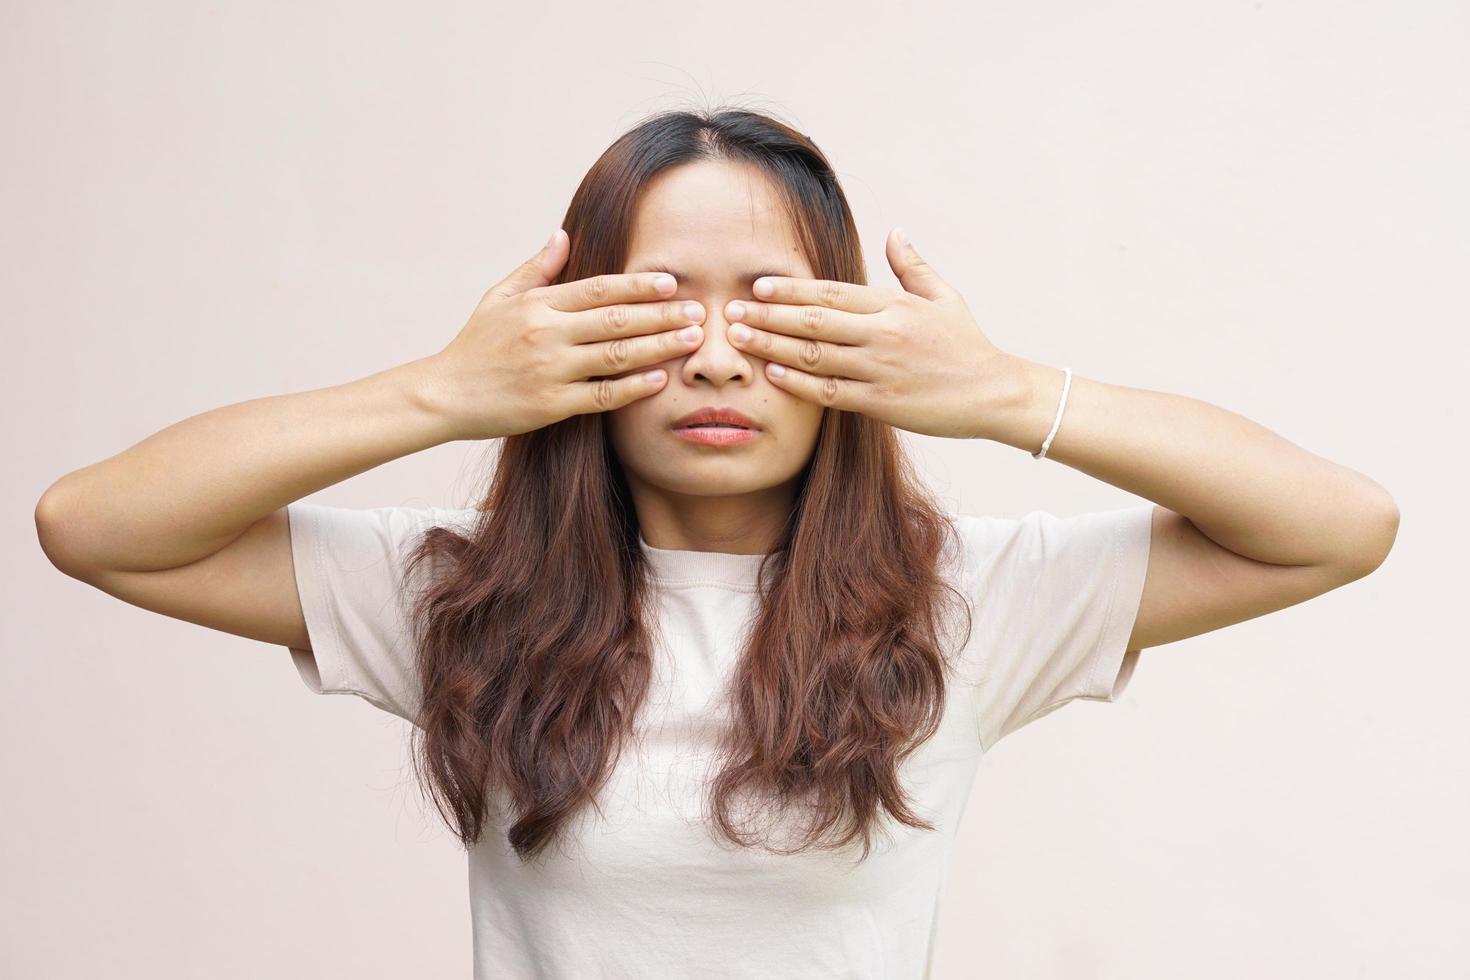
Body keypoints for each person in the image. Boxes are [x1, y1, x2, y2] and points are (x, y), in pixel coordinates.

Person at [34, 107, 1399, 979]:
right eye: (654, 305)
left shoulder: (966, 604)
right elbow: (92, 525)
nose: (712, 356)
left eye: (769, 308)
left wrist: (997, 393)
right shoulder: (463, 596)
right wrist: (442, 390)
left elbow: (1337, 527)